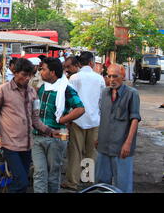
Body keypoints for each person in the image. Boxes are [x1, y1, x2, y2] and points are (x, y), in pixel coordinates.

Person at [0, 58, 61, 193]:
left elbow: (35, 120)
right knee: (21, 182)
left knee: (21, 182)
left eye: (29, 75)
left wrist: (49, 131)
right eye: (24, 75)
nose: (27, 78)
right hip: (10, 145)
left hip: (27, 146)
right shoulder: (3, 90)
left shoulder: (32, 92)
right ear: (15, 72)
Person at [32, 57, 85, 193]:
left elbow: (80, 108)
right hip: (38, 136)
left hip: (57, 137)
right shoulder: (42, 88)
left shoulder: (66, 89)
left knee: (53, 175)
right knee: (39, 173)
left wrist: (63, 120)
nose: (41, 72)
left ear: (53, 72)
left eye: (43, 70)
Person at [62, 51, 106, 191]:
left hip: (77, 119)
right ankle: (87, 180)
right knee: (90, 152)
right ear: (92, 63)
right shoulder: (99, 78)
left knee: (75, 151)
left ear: (80, 63)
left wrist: (67, 119)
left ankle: (72, 182)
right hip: (94, 120)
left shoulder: (74, 78)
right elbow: (102, 101)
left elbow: (69, 100)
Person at [94, 64, 141, 193]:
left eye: (115, 76)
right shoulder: (104, 93)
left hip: (122, 148)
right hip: (104, 146)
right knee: (101, 184)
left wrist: (128, 143)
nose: (111, 80)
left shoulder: (132, 94)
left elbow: (135, 119)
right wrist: (98, 137)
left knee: (123, 186)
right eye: (109, 76)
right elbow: (103, 117)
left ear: (123, 76)